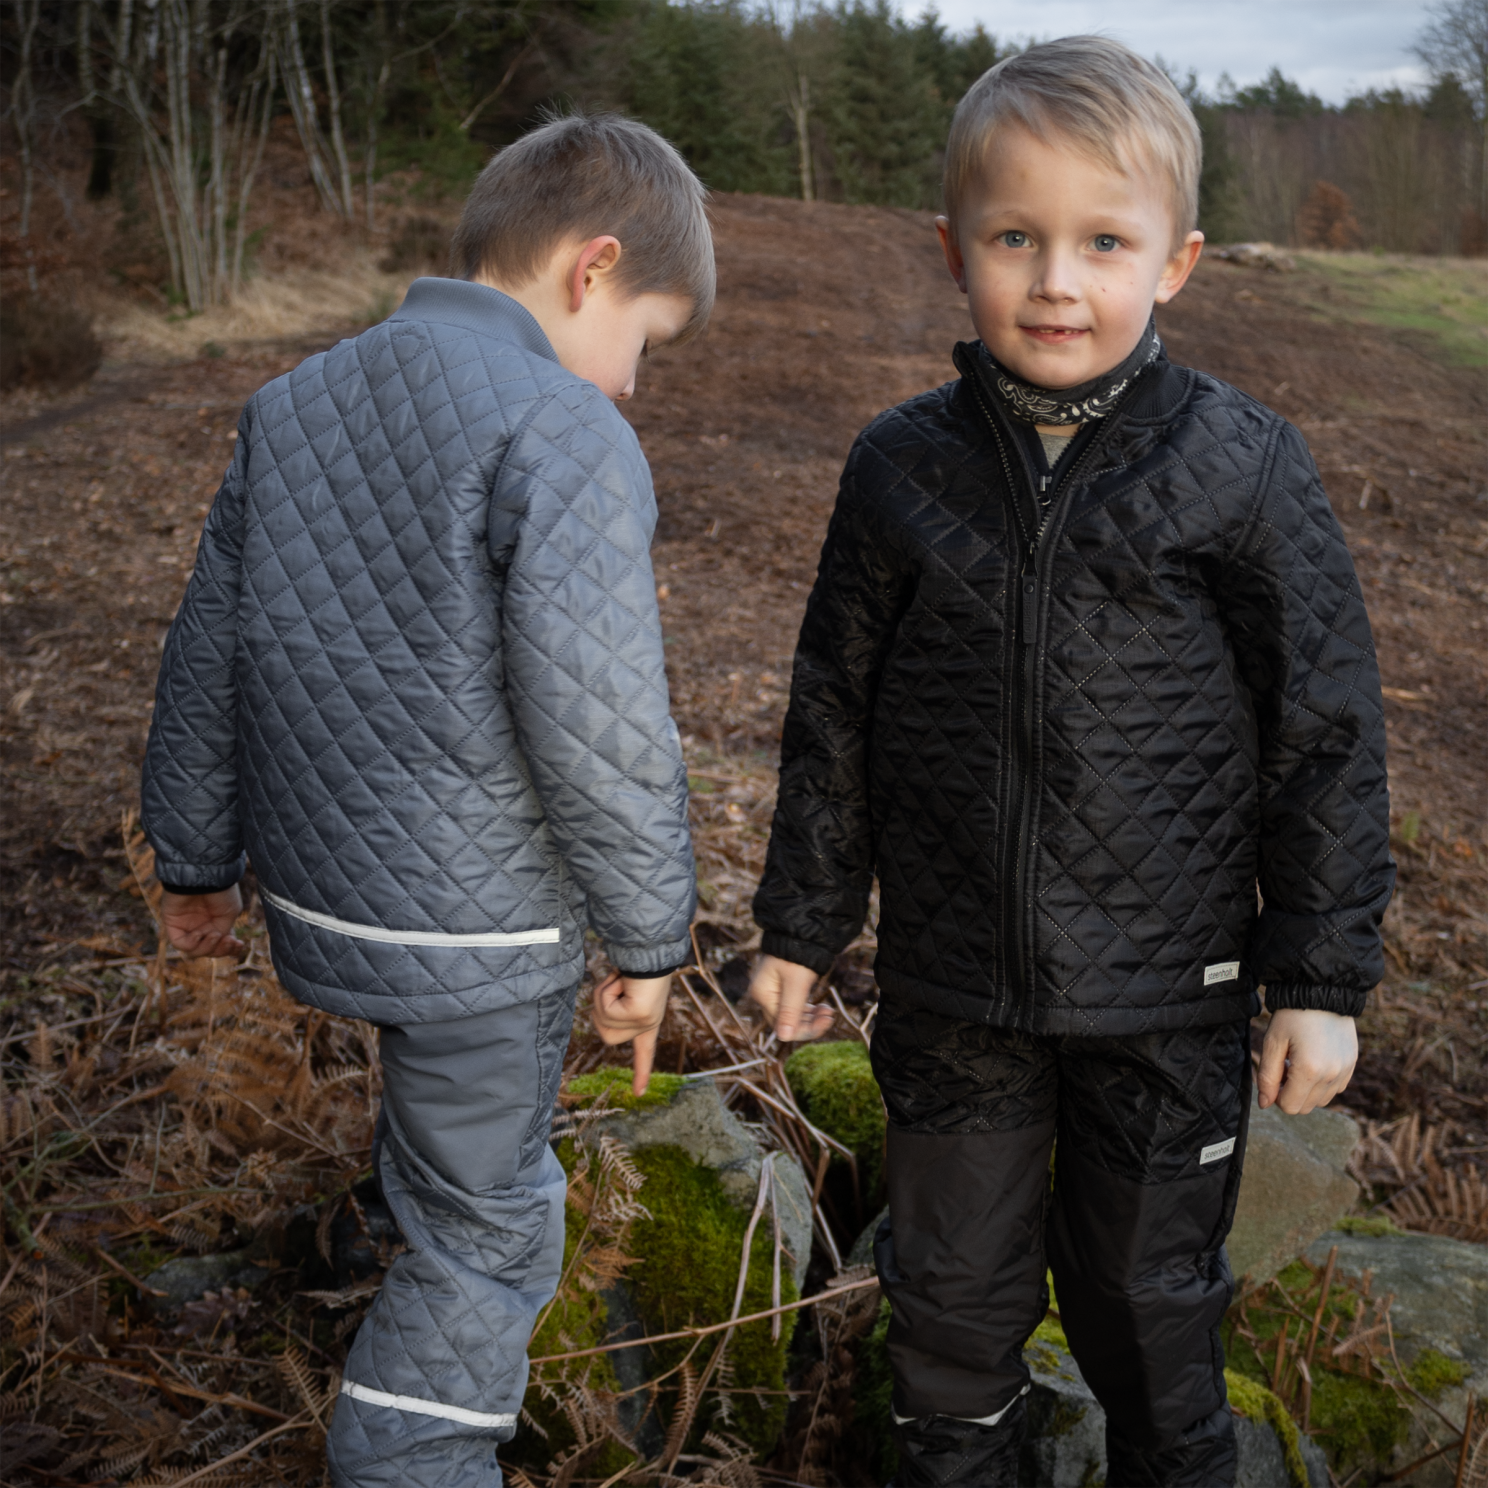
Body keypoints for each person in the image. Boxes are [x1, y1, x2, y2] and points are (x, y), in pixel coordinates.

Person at [749, 37, 1393, 1488]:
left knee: (1148, 1314)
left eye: (1104, 243)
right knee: (949, 1321)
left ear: (1177, 263)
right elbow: (831, 704)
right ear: (952, 250)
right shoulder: (899, 467)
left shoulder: (1243, 467)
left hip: (1166, 1003)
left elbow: (1326, 729)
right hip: (955, 988)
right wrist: (801, 924)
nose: (1057, 282)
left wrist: (1322, 978)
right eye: (1016, 239)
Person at [140, 113, 709, 1488]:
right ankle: (407, 1465)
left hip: (329, 897)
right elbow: (599, 719)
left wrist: (195, 859)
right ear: (594, 268)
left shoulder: (296, 400)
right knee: (492, 1230)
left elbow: (209, 647)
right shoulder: (561, 428)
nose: (633, 384)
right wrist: (649, 940)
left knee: (440, 1158)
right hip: (484, 929)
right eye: (647, 340)